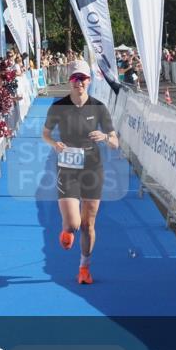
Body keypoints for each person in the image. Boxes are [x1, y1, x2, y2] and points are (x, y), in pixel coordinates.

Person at [42, 60, 119, 285]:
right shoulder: (58, 107)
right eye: (75, 78)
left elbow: (115, 142)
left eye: (83, 78)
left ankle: (84, 267)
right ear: (70, 81)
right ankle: (66, 230)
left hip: (92, 168)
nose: (79, 83)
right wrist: (54, 144)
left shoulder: (99, 107)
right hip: (67, 168)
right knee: (74, 225)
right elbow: (45, 134)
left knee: (88, 224)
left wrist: (105, 137)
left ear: (89, 80)